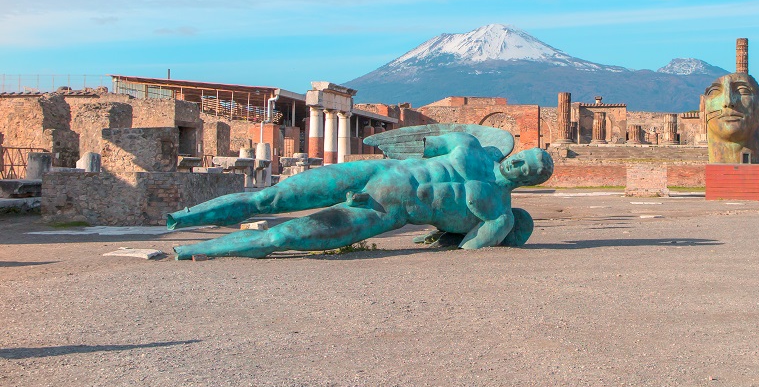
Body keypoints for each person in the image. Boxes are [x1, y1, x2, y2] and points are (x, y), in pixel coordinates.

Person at [167, 132, 554, 259]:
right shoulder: (469, 146)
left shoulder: (497, 214)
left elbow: (470, 248)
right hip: (375, 172)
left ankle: (193, 251)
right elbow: (415, 144)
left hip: (383, 210)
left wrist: (495, 231)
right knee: (269, 199)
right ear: (517, 153)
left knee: (284, 237)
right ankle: (180, 218)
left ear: (533, 182)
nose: (520, 166)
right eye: (524, 158)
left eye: (530, 170)